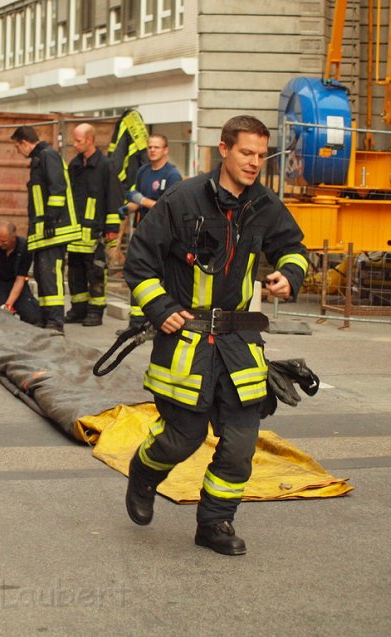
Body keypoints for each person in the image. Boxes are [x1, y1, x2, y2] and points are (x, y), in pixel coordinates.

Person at [122, 115, 309, 556]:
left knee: (241, 444)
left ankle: (215, 523)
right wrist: (162, 308)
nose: (254, 163)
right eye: (246, 153)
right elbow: (140, 262)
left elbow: (295, 248)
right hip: (187, 344)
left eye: (261, 156)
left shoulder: (263, 203)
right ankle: (145, 473)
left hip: (240, 346)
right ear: (223, 150)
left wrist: (288, 273)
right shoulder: (182, 199)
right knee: (181, 437)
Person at [10, 125, 81, 333]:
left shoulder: (48, 156)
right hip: (44, 230)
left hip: (54, 229)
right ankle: (46, 315)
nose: (18, 152)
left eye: (17, 147)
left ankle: (55, 320)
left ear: (24, 142)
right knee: (42, 274)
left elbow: (57, 189)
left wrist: (51, 218)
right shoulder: (40, 158)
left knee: (51, 273)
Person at [121, 134, 183, 330]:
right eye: (150, 147)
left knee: (158, 277)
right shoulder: (143, 171)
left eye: (157, 147)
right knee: (139, 273)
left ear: (166, 150)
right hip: (143, 230)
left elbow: (169, 208)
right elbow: (138, 200)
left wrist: (141, 201)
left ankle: (154, 321)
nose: (152, 150)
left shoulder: (172, 175)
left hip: (163, 235)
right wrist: (127, 208)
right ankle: (136, 323)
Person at [65, 123, 123, 327]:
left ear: (90, 140)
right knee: (75, 272)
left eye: (78, 141)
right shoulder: (74, 165)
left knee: (97, 271)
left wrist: (112, 231)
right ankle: (78, 309)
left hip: (96, 232)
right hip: (75, 233)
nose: (75, 144)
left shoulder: (106, 166)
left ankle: (95, 311)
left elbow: (114, 198)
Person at [0, 221, 41, 325]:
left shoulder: (24, 248)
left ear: (13, 237)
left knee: (33, 317)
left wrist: (8, 305)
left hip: (16, 286)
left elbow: (20, 280)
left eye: (4, 242)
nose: (0, 244)